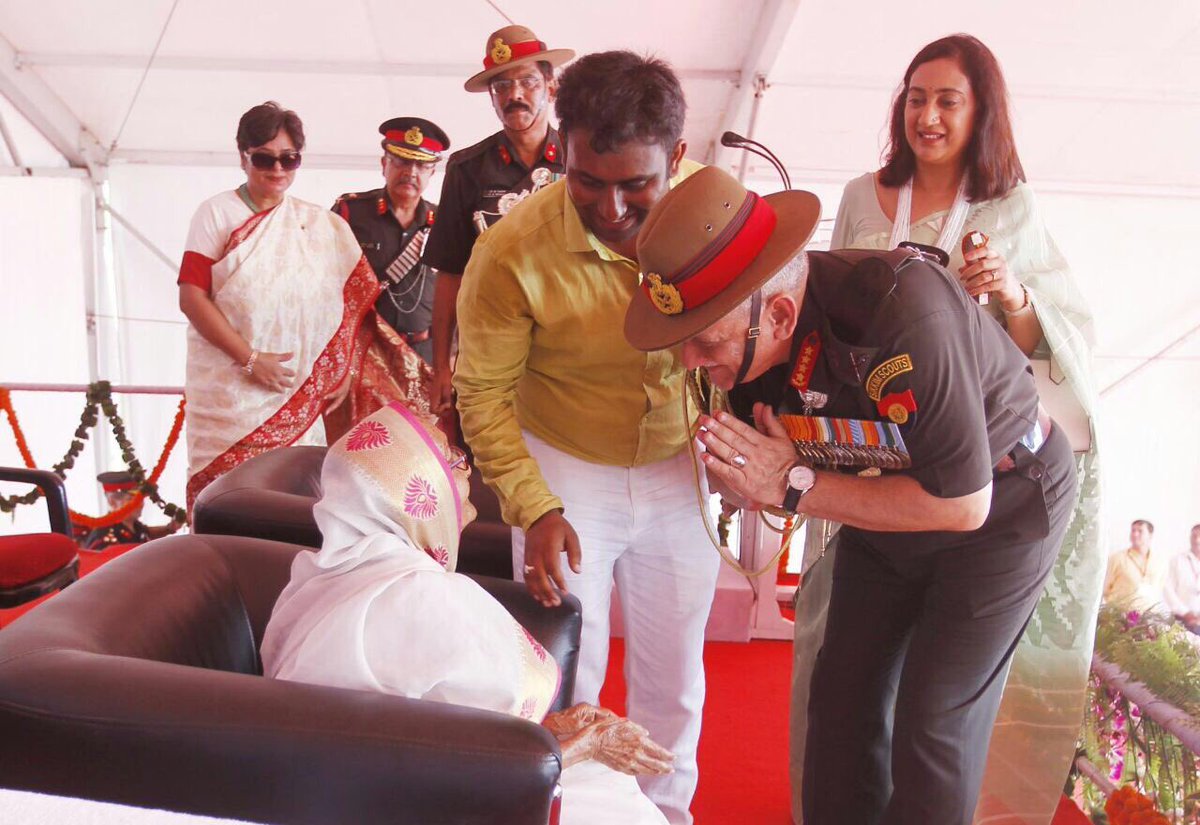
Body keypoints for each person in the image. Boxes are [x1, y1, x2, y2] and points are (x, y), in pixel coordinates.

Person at [623, 165, 1078, 825]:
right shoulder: (748, 355)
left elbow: (962, 503)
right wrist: (745, 479)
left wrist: (791, 483)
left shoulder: (901, 314)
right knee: (840, 697)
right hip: (886, 495)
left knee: (935, 717)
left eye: (704, 341)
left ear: (778, 312)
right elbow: (781, 468)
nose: (690, 361)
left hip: (1004, 502)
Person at [787, 33, 1103, 824]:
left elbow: (1055, 345)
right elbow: (824, 312)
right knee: (844, 695)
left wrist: (1012, 296)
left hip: (996, 489)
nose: (927, 116)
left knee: (933, 718)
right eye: (916, 98)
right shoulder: (864, 195)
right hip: (890, 480)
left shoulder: (1009, 208)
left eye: (947, 101)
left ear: (979, 112)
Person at [453, 51, 712, 824]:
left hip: (680, 465)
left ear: (678, 154)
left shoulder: (717, 212)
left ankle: (666, 815)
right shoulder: (508, 250)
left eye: (637, 184)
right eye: (588, 181)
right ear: (562, 149)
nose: (611, 207)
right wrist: (533, 506)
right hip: (563, 467)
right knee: (572, 674)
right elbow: (484, 395)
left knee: (675, 681)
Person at [260, 402, 671, 825]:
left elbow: (438, 729)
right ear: (412, 486)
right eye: (451, 458)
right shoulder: (419, 594)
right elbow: (482, 759)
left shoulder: (318, 576)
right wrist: (589, 742)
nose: (466, 469)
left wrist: (563, 726)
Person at [178, 101, 376, 508]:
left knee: (292, 506)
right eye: (264, 158)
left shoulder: (316, 225)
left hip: (295, 394)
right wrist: (250, 359)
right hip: (230, 398)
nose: (278, 170)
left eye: (289, 159)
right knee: (225, 504)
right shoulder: (216, 214)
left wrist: (340, 371)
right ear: (243, 156)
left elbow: (344, 304)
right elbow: (191, 296)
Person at [424, 25, 572, 419]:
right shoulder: (467, 168)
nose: (515, 95)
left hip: (568, 346)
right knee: (490, 462)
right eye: (502, 87)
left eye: (528, 82)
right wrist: (442, 366)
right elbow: (450, 272)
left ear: (551, 88)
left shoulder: (583, 159)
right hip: (490, 347)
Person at [326, 118, 448, 440]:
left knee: (419, 457)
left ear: (432, 173)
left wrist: (449, 364)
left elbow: (461, 299)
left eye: (421, 166)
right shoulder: (351, 213)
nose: (411, 173)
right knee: (364, 451)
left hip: (424, 359)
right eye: (402, 162)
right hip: (366, 359)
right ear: (384, 164)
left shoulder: (445, 223)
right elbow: (325, 291)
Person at [81, 471, 177, 550]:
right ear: (112, 502)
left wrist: (170, 528)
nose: (141, 504)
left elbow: (147, 533)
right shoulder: (103, 537)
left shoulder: (134, 526)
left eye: (141, 499)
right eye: (133, 500)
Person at [1103, 519, 1166, 612]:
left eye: (1140, 531)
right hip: (1120, 617)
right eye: (1133, 530)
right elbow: (1104, 589)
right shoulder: (1117, 558)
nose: (1135, 534)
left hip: (1149, 617)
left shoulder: (1159, 562)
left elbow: (1159, 590)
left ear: (1150, 535)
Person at [1163, 525, 1200, 633]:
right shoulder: (1178, 561)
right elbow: (1168, 590)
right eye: (1194, 536)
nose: (1197, 540)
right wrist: (1186, 613)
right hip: (1182, 620)